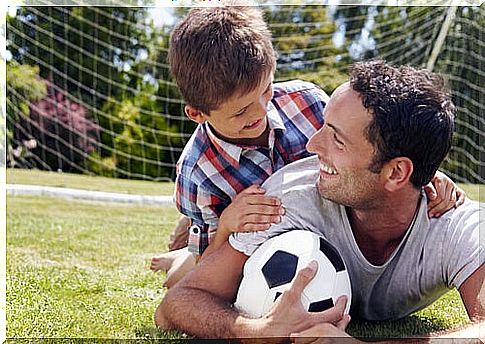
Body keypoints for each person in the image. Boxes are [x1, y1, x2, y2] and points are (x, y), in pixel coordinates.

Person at [155, 60, 484, 339]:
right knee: (189, 263)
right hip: (225, 224)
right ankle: (182, 250)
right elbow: (175, 305)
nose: (312, 145)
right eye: (323, 126)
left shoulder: (455, 222)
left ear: (397, 173)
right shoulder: (285, 201)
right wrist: (249, 330)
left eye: (336, 140)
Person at [150, 4, 464, 288]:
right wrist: (227, 226)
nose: (261, 112)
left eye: (266, 90)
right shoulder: (198, 172)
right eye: (241, 111)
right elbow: (207, 273)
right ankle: (180, 251)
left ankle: (183, 242)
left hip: (309, 231)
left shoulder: (307, 102)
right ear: (197, 114)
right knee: (182, 273)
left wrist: (422, 175)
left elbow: (368, 147)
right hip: (237, 241)